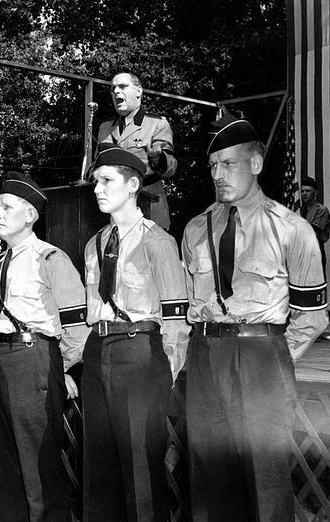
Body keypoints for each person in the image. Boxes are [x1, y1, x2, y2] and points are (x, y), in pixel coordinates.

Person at [181, 114, 328, 521]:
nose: (218, 174)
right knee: (208, 478)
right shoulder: (195, 229)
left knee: (265, 480)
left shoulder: (292, 229)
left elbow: (312, 318)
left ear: (256, 164)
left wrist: (271, 358)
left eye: (228, 164)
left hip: (261, 355)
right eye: (213, 165)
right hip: (205, 353)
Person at [83, 146, 190, 520]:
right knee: (99, 466)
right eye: (95, 182)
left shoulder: (157, 241)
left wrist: (166, 370)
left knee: (140, 468)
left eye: (106, 180)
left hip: (140, 352)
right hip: (98, 350)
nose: (97, 189)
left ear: (132, 186)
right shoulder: (94, 244)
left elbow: (177, 316)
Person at [0, 171, 90, 521]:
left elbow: (77, 326)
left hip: (33, 359)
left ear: (29, 215)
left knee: (38, 465)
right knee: (4, 463)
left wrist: (63, 370)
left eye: (6, 207)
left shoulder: (51, 259)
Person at [97, 72, 178, 229]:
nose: (116, 91)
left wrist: (158, 159)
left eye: (123, 86)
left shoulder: (156, 124)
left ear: (138, 91)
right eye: (113, 88)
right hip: (115, 209)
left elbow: (171, 169)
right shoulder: (105, 128)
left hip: (148, 207)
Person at [300, 177, 330, 272]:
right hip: (301, 251)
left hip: (315, 250)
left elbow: (314, 232)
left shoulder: (321, 210)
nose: (304, 193)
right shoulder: (301, 210)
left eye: (308, 191)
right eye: (302, 191)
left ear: (315, 193)